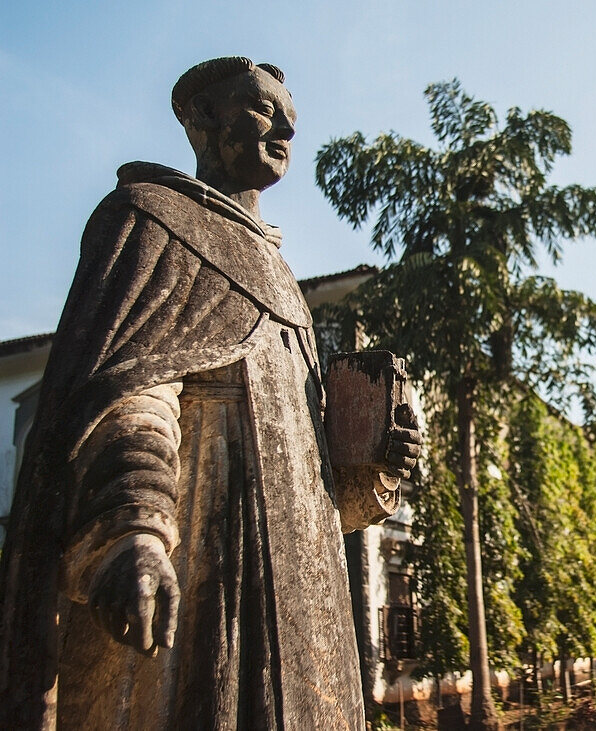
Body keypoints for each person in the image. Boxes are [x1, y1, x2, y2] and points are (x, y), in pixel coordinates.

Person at [0, 57, 420, 729]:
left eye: (289, 117)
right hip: (207, 583)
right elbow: (132, 397)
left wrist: (368, 469)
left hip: (305, 606)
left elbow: (309, 490)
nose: (282, 127)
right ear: (201, 121)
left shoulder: (282, 275)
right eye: (261, 111)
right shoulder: (151, 220)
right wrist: (131, 532)